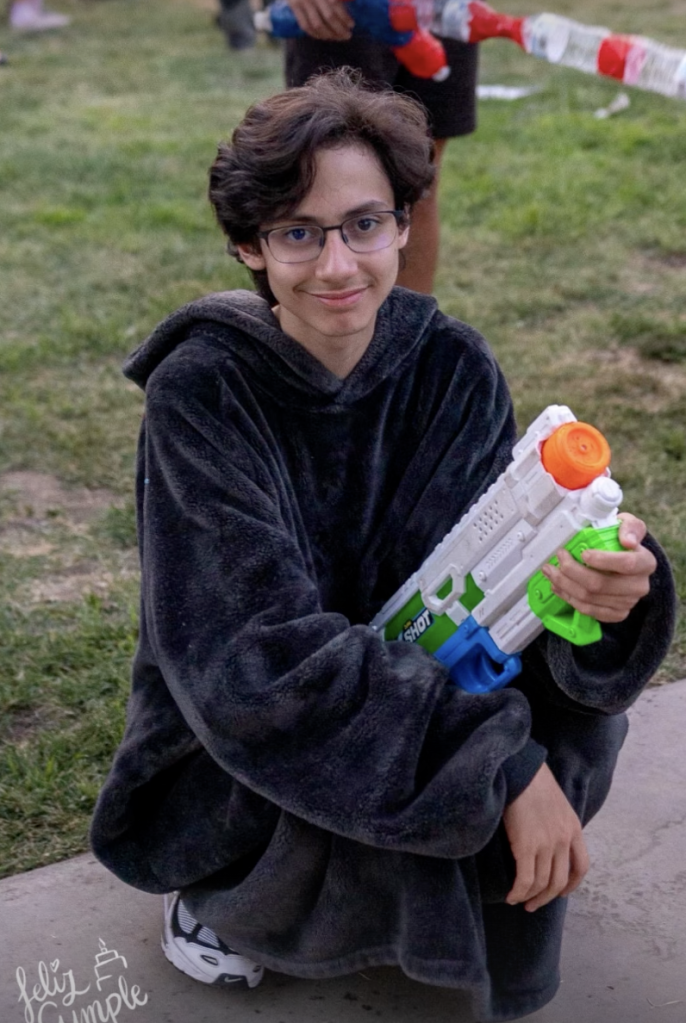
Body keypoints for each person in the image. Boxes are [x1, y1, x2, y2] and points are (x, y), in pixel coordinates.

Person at [90, 70, 675, 1022]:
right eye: (297, 233)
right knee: (312, 772)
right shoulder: (204, 393)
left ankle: (446, 871)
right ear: (249, 245)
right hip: (255, 732)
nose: (337, 267)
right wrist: (497, 766)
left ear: (405, 221)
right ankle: (225, 904)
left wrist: (604, 591)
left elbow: (491, 585)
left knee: (577, 711)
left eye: (365, 223)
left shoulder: (451, 366)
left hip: (409, 677)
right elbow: (254, 670)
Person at [283, 0, 478, 294]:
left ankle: (412, 334)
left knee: (420, 185)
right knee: (327, 182)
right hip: (343, 11)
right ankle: (329, 334)